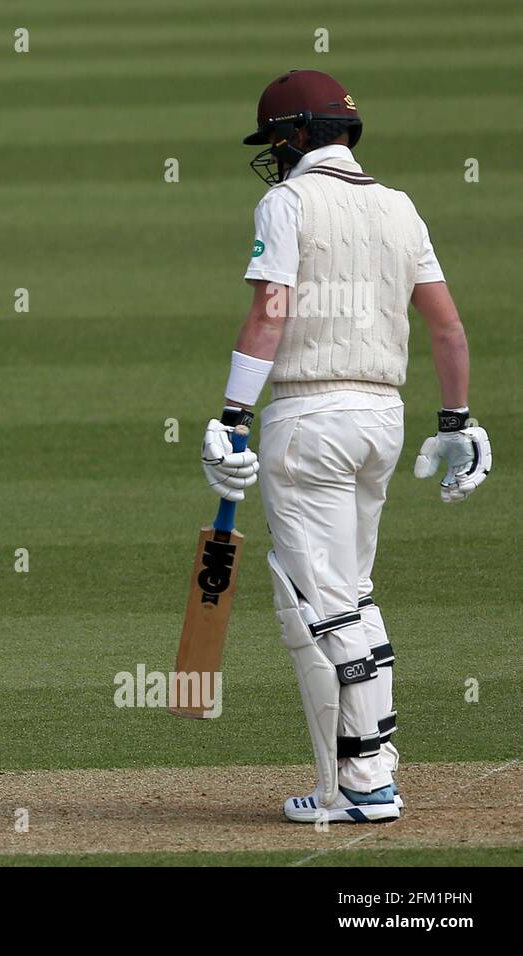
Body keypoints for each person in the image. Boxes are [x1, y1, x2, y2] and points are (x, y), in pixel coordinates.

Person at [200, 69, 492, 823]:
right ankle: (378, 760)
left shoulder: (289, 200)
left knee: (316, 600)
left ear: (296, 136)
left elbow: (270, 313)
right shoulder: (399, 207)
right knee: (350, 592)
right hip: (380, 421)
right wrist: (458, 423)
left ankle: (360, 784)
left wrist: (233, 416)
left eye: (276, 140)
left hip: (310, 418)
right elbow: (448, 327)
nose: (273, 154)